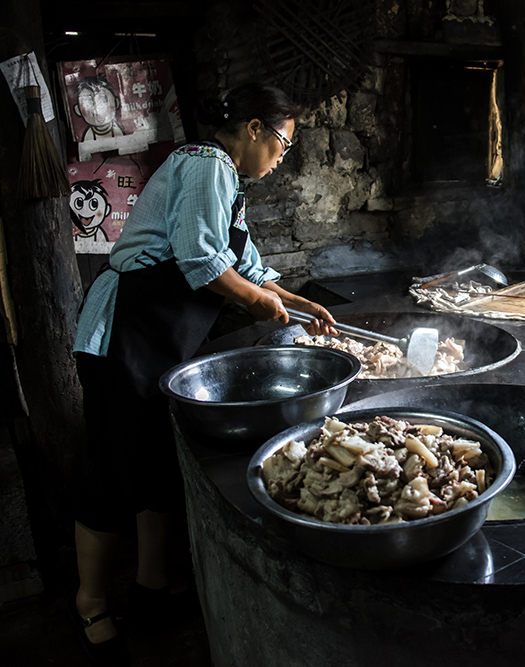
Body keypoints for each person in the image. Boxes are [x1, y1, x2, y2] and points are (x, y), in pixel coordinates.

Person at [69, 82, 336, 666]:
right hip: (123, 335)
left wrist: (301, 304)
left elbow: (247, 268)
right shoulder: (205, 163)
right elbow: (199, 259)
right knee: (114, 470)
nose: (282, 158)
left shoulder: (229, 188)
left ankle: (151, 587)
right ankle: (90, 601)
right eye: (284, 145)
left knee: (158, 464)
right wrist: (261, 306)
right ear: (255, 129)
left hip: (158, 342)